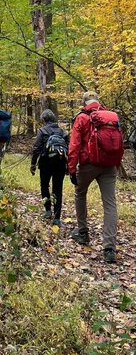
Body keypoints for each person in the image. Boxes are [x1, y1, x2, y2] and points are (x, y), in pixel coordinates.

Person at [68, 91, 124, 263]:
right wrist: (116, 163)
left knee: (80, 192)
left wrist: (71, 169)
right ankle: (109, 248)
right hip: (109, 165)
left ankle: (83, 232)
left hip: (88, 165)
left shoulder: (82, 118)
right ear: (98, 102)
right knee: (110, 203)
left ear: (84, 102)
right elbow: (118, 142)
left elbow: (74, 145)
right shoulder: (112, 118)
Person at [30, 109, 69, 226]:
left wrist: (33, 164)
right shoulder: (64, 132)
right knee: (58, 189)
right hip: (61, 164)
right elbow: (69, 150)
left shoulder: (42, 131)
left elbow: (36, 148)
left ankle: (47, 211)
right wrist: (68, 166)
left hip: (45, 163)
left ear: (44, 120)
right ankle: (57, 218)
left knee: (44, 185)